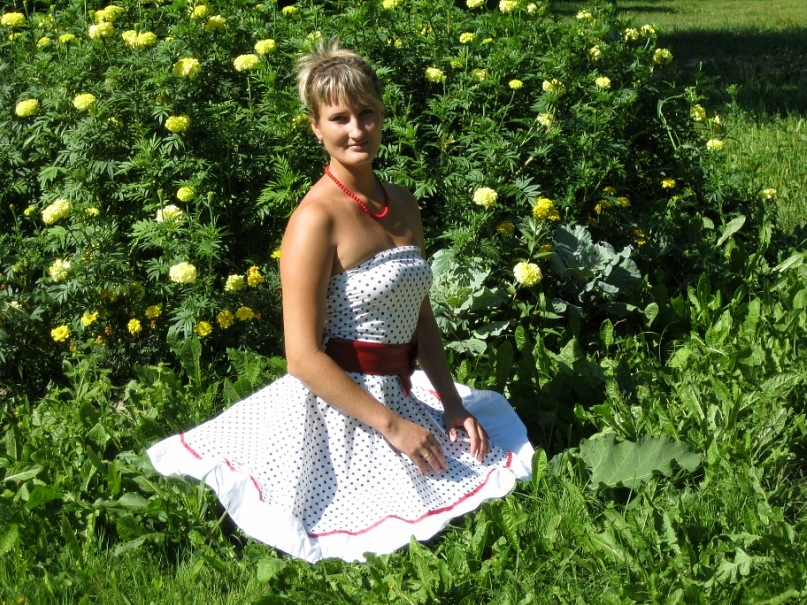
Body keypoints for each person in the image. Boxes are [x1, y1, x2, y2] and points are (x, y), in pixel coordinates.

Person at [147, 41, 533, 563]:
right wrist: (393, 428)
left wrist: (451, 402)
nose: (356, 130)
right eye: (339, 118)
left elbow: (421, 317)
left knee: (476, 460)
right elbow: (302, 358)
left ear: (382, 114)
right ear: (316, 127)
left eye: (366, 113)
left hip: (399, 386)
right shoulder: (314, 221)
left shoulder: (403, 202)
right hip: (336, 402)